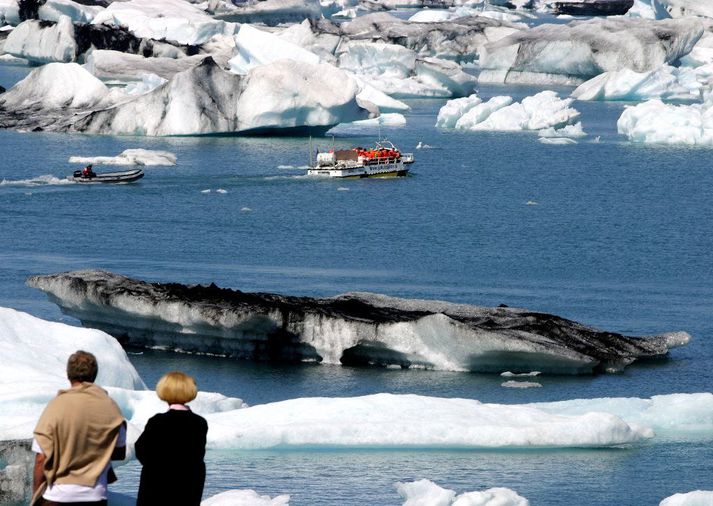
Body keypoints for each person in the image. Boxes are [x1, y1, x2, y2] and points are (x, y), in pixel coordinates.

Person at [32, 350, 126, 506]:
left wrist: (36, 494)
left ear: (69, 375)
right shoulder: (110, 407)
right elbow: (119, 452)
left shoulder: (56, 407)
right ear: (94, 375)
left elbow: (41, 459)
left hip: (57, 496)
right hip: (95, 496)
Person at [135, 371, 208, 506]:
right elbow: (198, 455)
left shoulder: (157, 422)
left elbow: (140, 450)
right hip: (188, 487)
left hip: (156, 486)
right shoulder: (200, 423)